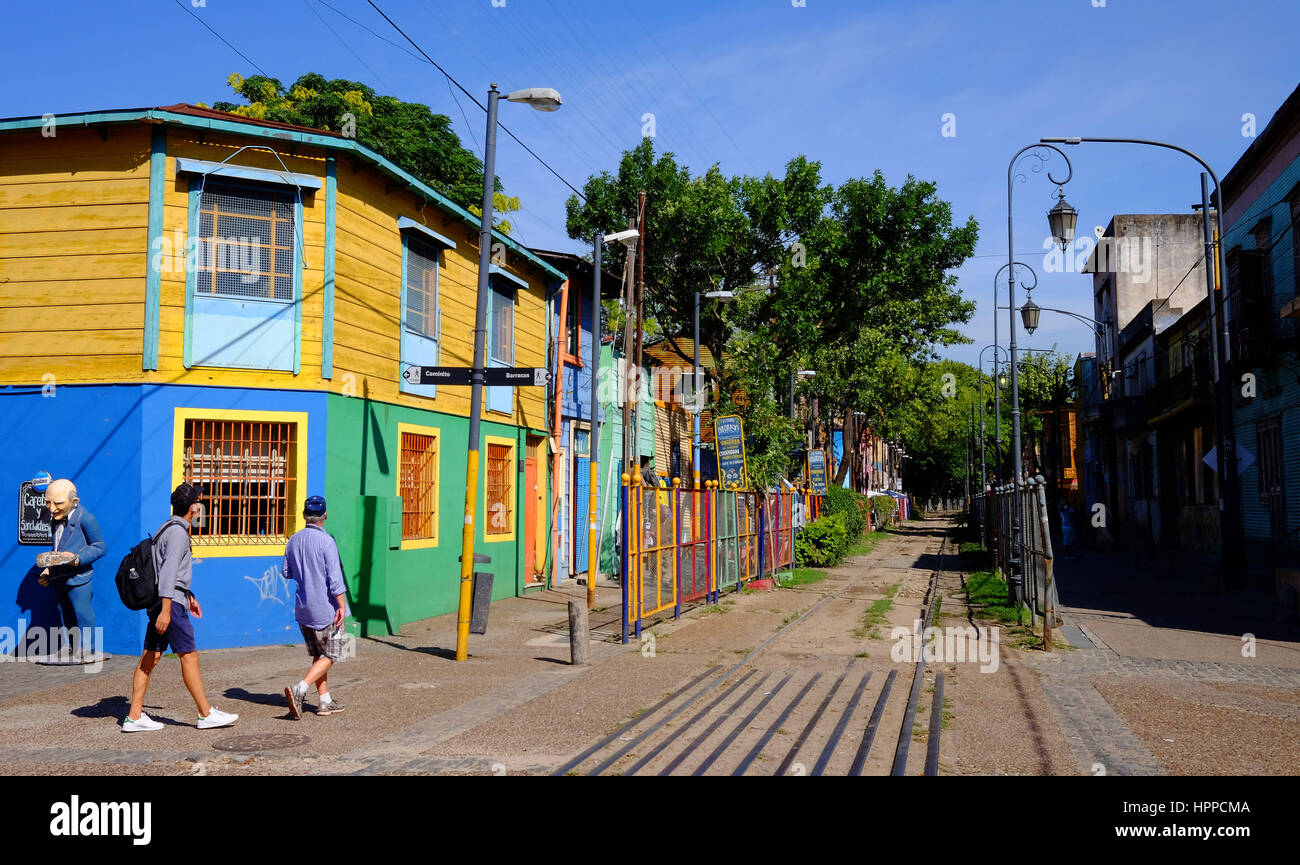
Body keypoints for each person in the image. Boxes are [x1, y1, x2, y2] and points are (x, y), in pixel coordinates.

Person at [122, 483, 238, 732]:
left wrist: (188, 595)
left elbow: (170, 570)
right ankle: (205, 713)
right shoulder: (177, 533)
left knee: (149, 656)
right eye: (200, 501)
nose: (201, 505)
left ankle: (134, 716)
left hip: (167, 600)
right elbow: (168, 572)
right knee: (189, 656)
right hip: (169, 605)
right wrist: (167, 608)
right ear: (194, 507)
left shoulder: (166, 527)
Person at [282, 495, 349, 719]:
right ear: (325, 515)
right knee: (332, 654)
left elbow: (287, 572)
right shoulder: (327, 541)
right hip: (326, 607)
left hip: (304, 607)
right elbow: (335, 579)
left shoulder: (294, 540)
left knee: (320, 655)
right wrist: (341, 604)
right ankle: (300, 688)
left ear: (304, 515)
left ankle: (324, 701)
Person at [38, 479, 106, 660]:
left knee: (82, 612)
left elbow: (100, 546)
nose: (52, 509)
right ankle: (69, 646)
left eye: (58, 503)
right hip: (59, 577)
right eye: (48, 503)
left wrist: (77, 559)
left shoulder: (86, 519)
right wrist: (48, 571)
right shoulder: (55, 520)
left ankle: (87, 648)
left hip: (79, 577)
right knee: (64, 611)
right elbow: (56, 549)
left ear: (74, 502)